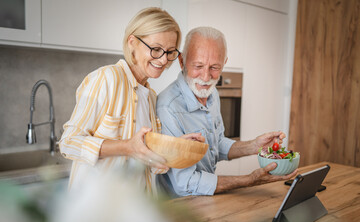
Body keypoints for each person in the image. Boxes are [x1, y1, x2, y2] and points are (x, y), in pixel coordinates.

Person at [59, 7, 203, 193]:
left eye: (169, 52)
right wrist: (127, 147)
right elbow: (69, 143)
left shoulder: (150, 97)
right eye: (156, 49)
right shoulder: (106, 79)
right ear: (132, 42)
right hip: (97, 211)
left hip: (134, 209)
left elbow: (145, 156)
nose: (163, 60)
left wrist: (177, 146)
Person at [156, 27, 298, 197]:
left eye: (215, 67)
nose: (206, 77)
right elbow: (185, 183)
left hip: (207, 202)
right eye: (198, 66)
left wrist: (253, 146)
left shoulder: (211, 93)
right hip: (179, 211)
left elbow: (216, 144)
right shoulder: (168, 107)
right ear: (182, 61)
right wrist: (250, 180)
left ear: (224, 63)